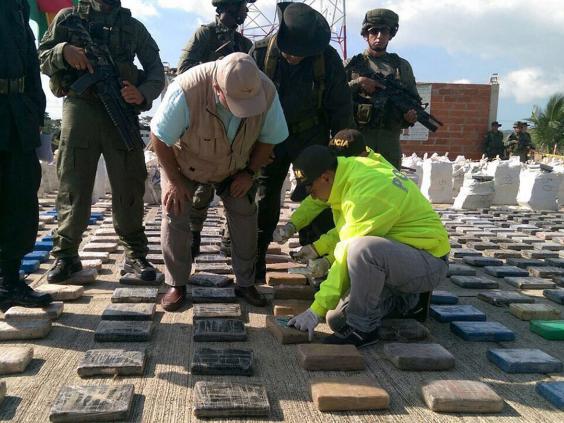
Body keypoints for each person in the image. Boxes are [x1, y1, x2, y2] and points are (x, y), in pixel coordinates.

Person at [39, 0, 165, 282]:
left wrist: (142, 93)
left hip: (120, 108)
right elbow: (42, 55)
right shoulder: (68, 18)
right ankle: (67, 255)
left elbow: (156, 71)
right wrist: (63, 51)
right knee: (74, 183)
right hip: (80, 107)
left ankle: (135, 254)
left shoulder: (132, 27)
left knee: (129, 183)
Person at [150, 52, 288, 311]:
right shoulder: (187, 90)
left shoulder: (266, 90)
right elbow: (159, 136)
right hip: (187, 164)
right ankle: (177, 283)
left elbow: (270, 137)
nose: (244, 111)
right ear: (216, 88)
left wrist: (249, 173)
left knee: (245, 212)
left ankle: (246, 282)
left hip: (236, 167)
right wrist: (174, 181)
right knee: (174, 209)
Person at [287, 145, 449, 347]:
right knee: (337, 319)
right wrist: (312, 244)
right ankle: (406, 298)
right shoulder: (347, 173)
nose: (312, 196)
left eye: (311, 190)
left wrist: (315, 310)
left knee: (362, 250)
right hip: (398, 255)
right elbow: (345, 226)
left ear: (325, 177)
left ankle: (364, 330)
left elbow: (348, 248)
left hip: (428, 260)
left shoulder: (366, 192)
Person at [250, 2, 354, 283]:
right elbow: (243, 106)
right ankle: (254, 262)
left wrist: (340, 153)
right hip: (269, 137)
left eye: (300, 53)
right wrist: (254, 145)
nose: (294, 56)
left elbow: (341, 108)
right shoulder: (259, 54)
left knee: (319, 196)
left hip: (311, 135)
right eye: (290, 51)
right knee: (264, 199)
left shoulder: (326, 58)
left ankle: (317, 263)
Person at [177, 0, 256, 257]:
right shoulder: (205, 35)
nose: (245, 12)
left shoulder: (244, 44)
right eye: (242, 7)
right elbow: (183, 72)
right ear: (228, 8)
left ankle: (230, 237)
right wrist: (217, 71)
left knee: (238, 182)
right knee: (201, 183)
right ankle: (193, 232)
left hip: (236, 119)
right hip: (205, 115)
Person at [0, 0, 53, 310]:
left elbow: (31, 63)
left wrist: (35, 110)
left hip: (18, 115)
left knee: (21, 200)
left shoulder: (18, 5)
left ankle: (10, 281)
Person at [274, 129, 394, 260]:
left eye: (344, 159)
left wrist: (325, 257)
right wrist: (293, 225)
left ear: (363, 154)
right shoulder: (347, 168)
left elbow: (352, 234)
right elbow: (316, 201)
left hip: (385, 241)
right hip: (362, 229)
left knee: (355, 251)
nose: (338, 163)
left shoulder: (372, 180)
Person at [345, 8, 418, 170]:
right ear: (365, 34)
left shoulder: (401, 67)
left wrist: (410, 117)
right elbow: (335, 98)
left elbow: (413, 101)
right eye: (374, 31)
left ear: (390, 35)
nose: (379, 36)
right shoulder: (352, 65)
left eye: (384, 32)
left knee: (389, 184)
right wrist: (358, 82)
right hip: (359, 142)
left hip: (389, 143)